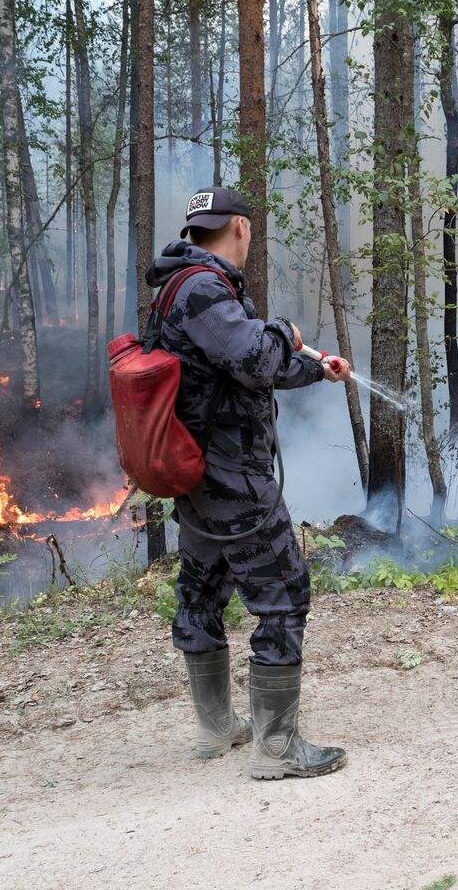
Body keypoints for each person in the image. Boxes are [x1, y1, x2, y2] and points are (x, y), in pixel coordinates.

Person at [148, 185, 351, 779]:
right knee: (283, 594)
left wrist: (317, 369)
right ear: (240, 227)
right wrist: (286, 329)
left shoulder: (181, 287)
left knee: (201, 592)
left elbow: (245, 371)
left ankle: (216, 729)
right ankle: (277, 749)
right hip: (231, 477)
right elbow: (258, 359)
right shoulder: (208, 290)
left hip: (198, 479)